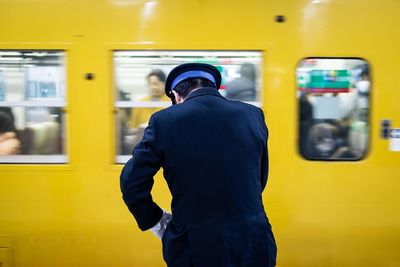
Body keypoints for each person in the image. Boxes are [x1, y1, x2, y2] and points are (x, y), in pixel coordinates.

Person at [120, 63, 276, 266]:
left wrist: (157, 222)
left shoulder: (163, 121)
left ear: (176, 96)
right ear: (215, 89)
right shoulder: (254, 115)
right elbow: (259, 179)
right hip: (254, 241)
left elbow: (131, 183)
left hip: (195, 246)